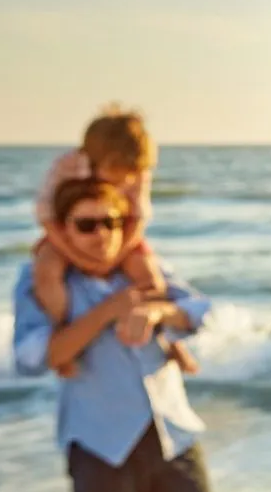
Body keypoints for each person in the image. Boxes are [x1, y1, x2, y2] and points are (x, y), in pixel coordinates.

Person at [11, 177, 218, 492]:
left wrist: (158, 313)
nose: (102, 234)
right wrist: (108, 311)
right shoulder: (44, 281)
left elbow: (198, 308)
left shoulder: (141, 267)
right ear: (63, 229)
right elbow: (32, 356)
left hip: (173, 431)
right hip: (98, 442)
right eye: (86, 225)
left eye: (112, 222)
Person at [32, 106, 197, 376]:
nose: (126, 178)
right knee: (46, 274)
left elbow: (139, 219)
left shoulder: (138, 172)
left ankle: (168, 339)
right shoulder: (68, 165)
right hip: (67, 238)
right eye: (118, 171)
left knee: (152, 283)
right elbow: (46, 217)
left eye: (132, 172)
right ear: (95, 159)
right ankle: (62, 337)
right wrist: (79, 258)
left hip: (122, 238)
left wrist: (115, 257)